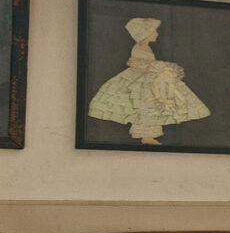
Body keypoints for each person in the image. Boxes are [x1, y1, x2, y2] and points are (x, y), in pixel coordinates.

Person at [86, 16, 210, 145]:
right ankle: (146, 136)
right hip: (140, 82)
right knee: (146, 107)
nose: (156, 34)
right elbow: (137, 66)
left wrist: (160, 69)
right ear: (146, 33)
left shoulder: (146, 47)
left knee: (151, 108)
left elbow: (148, 65)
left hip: (149, 80)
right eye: (154, 31)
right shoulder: (140, 48)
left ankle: (148, 137)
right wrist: (158, 68)